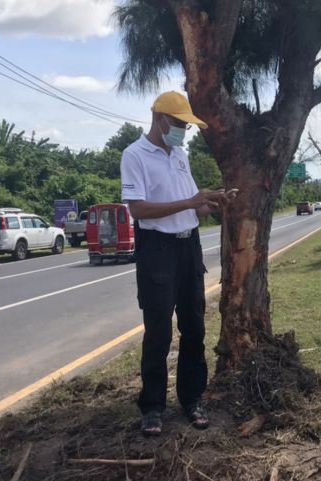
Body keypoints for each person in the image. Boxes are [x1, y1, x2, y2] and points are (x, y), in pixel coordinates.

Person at [120, 91, 236, 436]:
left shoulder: (181, 156)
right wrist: (189, 201)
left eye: (187, 125)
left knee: (194, 326)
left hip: (189, 247)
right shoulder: (135, 155)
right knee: (158, 330)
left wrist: (213, 203)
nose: (184, 130)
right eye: (180, 123)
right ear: (160, 119)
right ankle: (153, 407)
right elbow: (137, 209)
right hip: (158, 249)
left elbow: (193, 208)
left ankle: (192, 398)